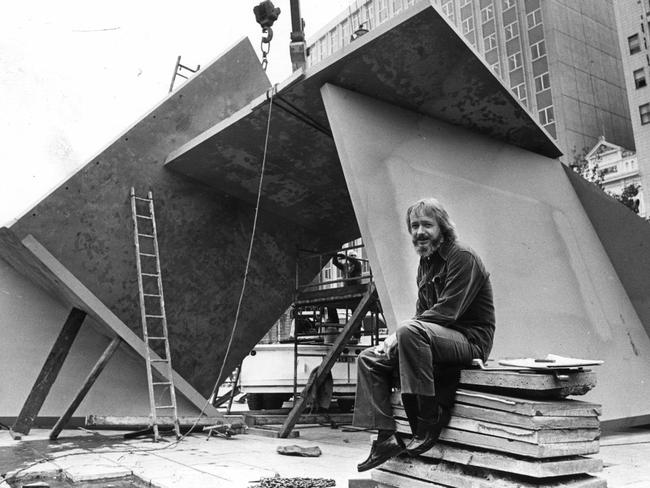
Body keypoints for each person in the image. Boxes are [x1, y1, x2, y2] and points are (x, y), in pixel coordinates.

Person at [354, 197, 496, 472]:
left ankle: (428, 421)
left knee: (408, 331)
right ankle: (385, 438)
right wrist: (396, 341)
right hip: (434, 339)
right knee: (369, 358)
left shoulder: (461, 256)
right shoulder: (426, 264)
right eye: (414, 225)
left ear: (442, 227)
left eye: (427, 225)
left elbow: (449, 311)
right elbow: (422, 315)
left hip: (469, 341)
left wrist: (401, 334)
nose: (419, 232)